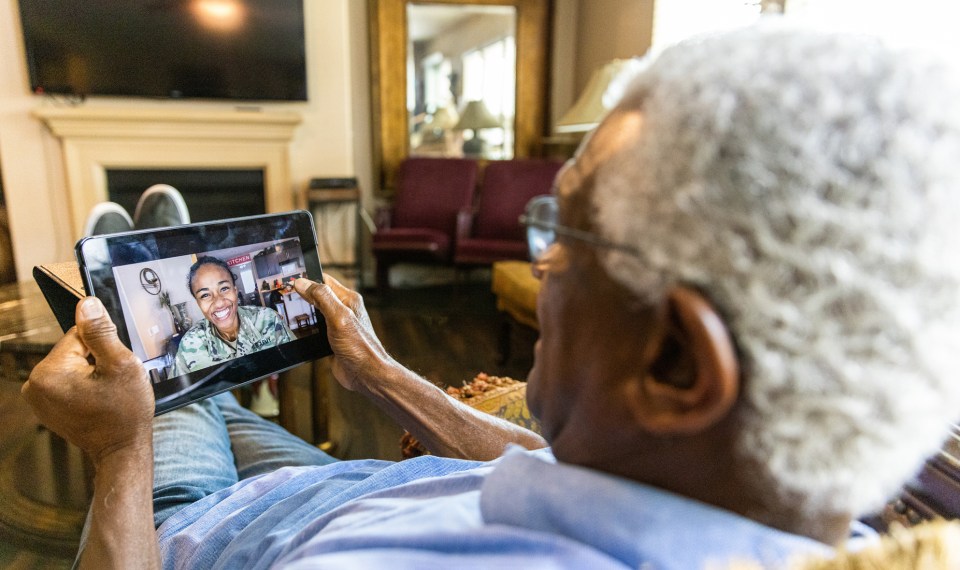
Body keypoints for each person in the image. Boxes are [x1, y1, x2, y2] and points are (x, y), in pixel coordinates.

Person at [21, 21, 960, 569]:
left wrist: (119, 449)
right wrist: (383, 375)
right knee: (204, 368)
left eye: (569, 235)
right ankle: (160, 304)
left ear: (677, 361)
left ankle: (133, 287)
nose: (540, 267)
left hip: (196, 526)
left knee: (172, 387)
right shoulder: (794, 513)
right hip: (344, 483)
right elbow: (555, 461)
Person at [170, 256, 296, 376]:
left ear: (235, 291)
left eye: (224, 288)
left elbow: (297, 366)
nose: (218, 302)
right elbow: (180, 396)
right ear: (198, 303)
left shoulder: (267, 319)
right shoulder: (189, 344)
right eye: (205, 295)